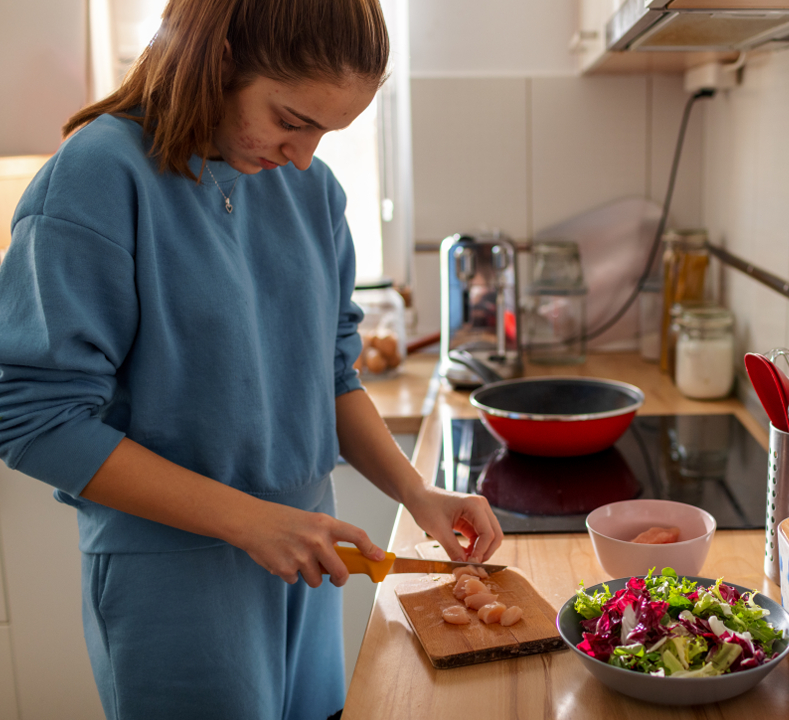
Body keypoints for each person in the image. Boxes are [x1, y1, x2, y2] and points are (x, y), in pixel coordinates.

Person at [0, 1, 503, 718]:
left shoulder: (310, 190)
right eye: (292, 120)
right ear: (220, 56)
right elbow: (35, 420)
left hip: (306, 563)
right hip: (173, 588)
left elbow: (332, 377)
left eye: (326, 132)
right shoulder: (98, 177)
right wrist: (250, 521)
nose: (302, 154)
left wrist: (416, 495)